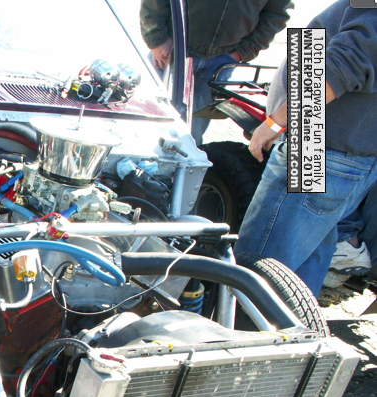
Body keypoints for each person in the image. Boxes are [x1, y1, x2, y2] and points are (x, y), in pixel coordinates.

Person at [235, 0, 377, 297]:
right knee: (301, 266)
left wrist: (274, 123)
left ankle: (250, 325)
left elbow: (342, 66)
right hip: (332, 144)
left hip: (317, 143)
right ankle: (293, 322)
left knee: (260, 270)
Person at [140, 0, 292, 144]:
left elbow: (277, 13)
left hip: (222, 61)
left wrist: (243, 52)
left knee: (189, 137)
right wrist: (156, 38)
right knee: (147, 125)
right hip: (173, 50)